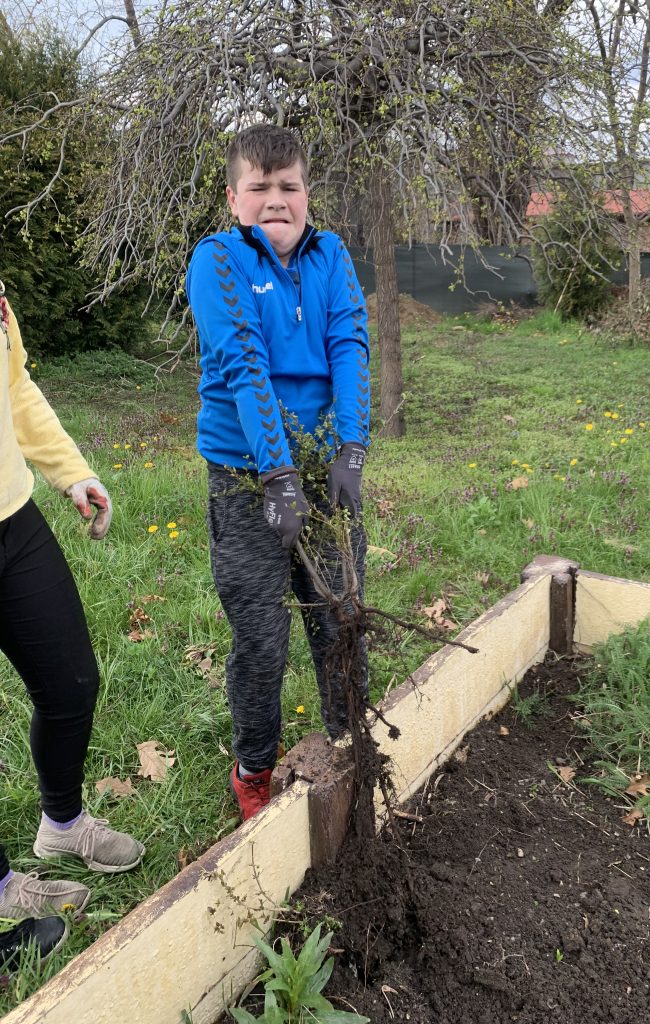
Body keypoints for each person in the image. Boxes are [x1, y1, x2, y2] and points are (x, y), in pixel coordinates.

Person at [186, 124, 370, 821]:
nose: (275, 199)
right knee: (263, 638)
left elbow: (351, 340)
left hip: (324, 475)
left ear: (306, 193)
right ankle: (254, 771)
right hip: (246, 479)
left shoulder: (332, 256)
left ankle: (353, 748)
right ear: (235, 198)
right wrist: (278, 477)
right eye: (259, 188)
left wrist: (352, 447)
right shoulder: (218, 262)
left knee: (342, 620)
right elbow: (243, 363)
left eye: (287, 186)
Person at [0, 284, 145, 966]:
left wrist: (69, 472)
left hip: (12, 519)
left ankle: (62, 824)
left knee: (71, 684)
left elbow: (15, 383)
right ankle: (0, 886)